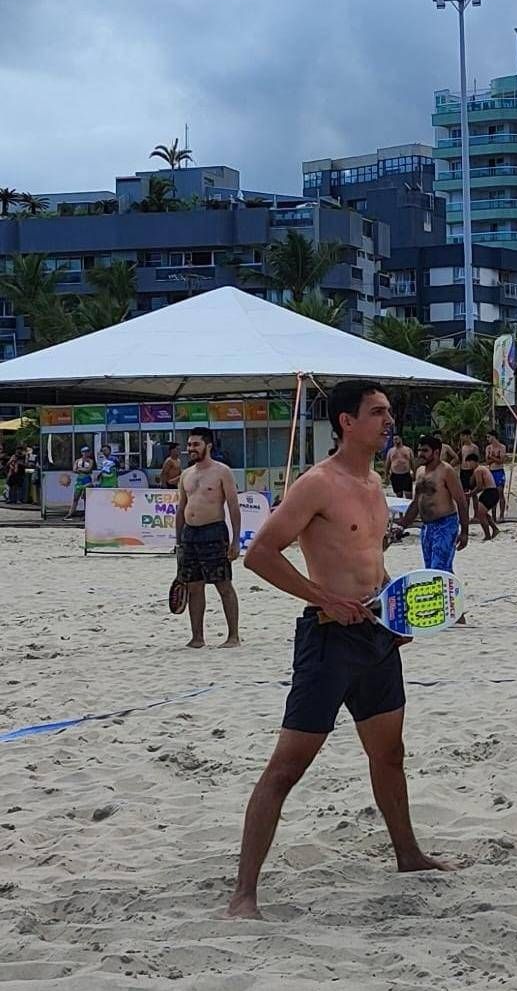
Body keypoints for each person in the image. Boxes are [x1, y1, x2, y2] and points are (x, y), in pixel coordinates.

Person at [226, 381, 457, 919]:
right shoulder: (317, 484)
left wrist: (398, 612)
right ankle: (243, 896)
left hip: (376, 635)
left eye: (388, 411)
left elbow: (370, 562)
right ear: (346, 422)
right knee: (287, 767)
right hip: (329, 638)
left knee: (389, 754)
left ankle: (408, 855)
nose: (388, 420)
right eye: (376, 412)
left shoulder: (375, 483)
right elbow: (260, 554)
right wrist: (322, 596)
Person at [176, 428, 242, 648]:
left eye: (196, 444)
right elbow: (181, 508)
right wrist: (178, 541)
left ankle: (233, 636)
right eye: (189, 445)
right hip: (190, 534)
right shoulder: (186, 474)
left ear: (208, 445)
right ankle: (197, 638)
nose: (191, 449)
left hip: (213, 532)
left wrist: (235, 540)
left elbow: (233, 506)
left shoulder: (222, 472)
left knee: (223, 585)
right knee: (194, 586)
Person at [397, 434, 469, 570]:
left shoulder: (446, 471)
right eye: (419, 450)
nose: (420, 454)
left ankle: (446, 584)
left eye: (425, 450)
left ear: (436, 452)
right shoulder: (420, 472)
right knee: (430, 569)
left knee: (439, 568)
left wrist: (464, 531)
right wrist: (403, 525)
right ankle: (447, 585)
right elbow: (416, 502)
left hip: (445, 525)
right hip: (426, 527)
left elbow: (461, 501)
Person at [466, 452, 500, 539]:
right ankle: (495, 529)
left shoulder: (478, 470)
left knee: (480, 515)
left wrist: (470, 494)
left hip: (490, 493)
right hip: (490, 492)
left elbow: (479, 486)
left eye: (469, 463)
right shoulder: (481, 469)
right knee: (482, 513)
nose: (468, 465)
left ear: (473, 461)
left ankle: (487, 535)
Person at [485, 429, 508, 521]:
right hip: (491, 471)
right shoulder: (488, 448)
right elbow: (487, 461)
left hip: (499, 471)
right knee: (493, 494)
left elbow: (501, 461)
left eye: (488, 437)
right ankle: (494, 516)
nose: (487, 439)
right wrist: (495, 458)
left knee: (500, 493)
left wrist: (491, 457)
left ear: (493, 437)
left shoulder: (502, 447)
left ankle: (501, 515)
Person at [66, 445, 94, 517]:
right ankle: (71, 513)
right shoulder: (78, 461)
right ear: (82, 453)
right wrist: (83, 470)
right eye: (84, 452)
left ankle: (86, 514)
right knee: (76, 497)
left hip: (87, 479)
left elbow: (89, 469)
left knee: (86, 498)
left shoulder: (90, 461)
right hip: (79, 480)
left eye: (87, 452)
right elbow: (74, 469)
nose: (86, 453)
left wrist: (80, 469)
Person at [385, 434, 414, 498]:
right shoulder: (390, 451)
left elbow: (412, 462)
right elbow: (387, 463)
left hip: (406, 475)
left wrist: (414, 472)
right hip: (395, 475)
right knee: (398, 496)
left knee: (409, 496)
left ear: (401, 439)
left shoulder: (408, 450)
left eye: (396, 439)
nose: (395, 441)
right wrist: (386, 475)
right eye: (393, 439)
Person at [459, 429, 480, 500]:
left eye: (463, 436)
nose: (462, 438)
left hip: (471, 471)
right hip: (463, 471)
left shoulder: (474, 447)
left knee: (473, 493)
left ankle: (476, 507)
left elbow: (477, 461)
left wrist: (474, 473)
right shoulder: (463, 447)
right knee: (465, 492)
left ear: (468, 436)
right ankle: (466, 507)